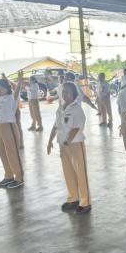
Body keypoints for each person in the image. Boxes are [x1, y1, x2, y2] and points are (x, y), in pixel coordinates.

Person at [47, 82, 91, 214]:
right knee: (68, 172)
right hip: (63, 145)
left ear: (74, 94)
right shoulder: (60, 108)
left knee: (80, 172)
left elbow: (77, 127)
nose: (65, 94)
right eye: (63, 91)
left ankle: (85, 202)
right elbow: (55, 126)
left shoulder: (76, 109)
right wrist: (50, 141)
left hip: (75, 145)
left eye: (68, 92)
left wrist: (67, 141)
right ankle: (73, 198)